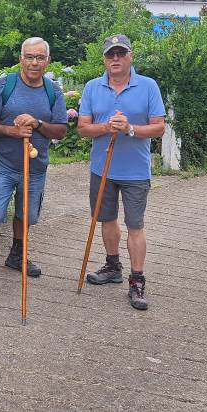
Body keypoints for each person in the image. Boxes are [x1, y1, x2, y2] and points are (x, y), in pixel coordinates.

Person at [0, 37, 68, 295]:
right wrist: (12, 131)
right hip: (5, 165)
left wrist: (37, 124)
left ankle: (16, 255)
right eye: (30, 57)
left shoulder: (53, 90)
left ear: (48, 61)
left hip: (35, 167)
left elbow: (62, 130)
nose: (34, 62)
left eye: (40, 58)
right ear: (21, 59)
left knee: (27, 215)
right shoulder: (5, 84)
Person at [77, 34, 166, 310]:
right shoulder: (92, 87)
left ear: (130, 56)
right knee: (106, 220)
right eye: (110, 54)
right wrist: (106, 127)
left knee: (135, 225)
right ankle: (112, 265)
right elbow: (82, 128)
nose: (115, 59)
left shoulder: (148, 86)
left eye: (120, 53)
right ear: (104, 59)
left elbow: (159, 127)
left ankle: (137, 280)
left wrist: (129, 129)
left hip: (136, 171)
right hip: (101, 168)